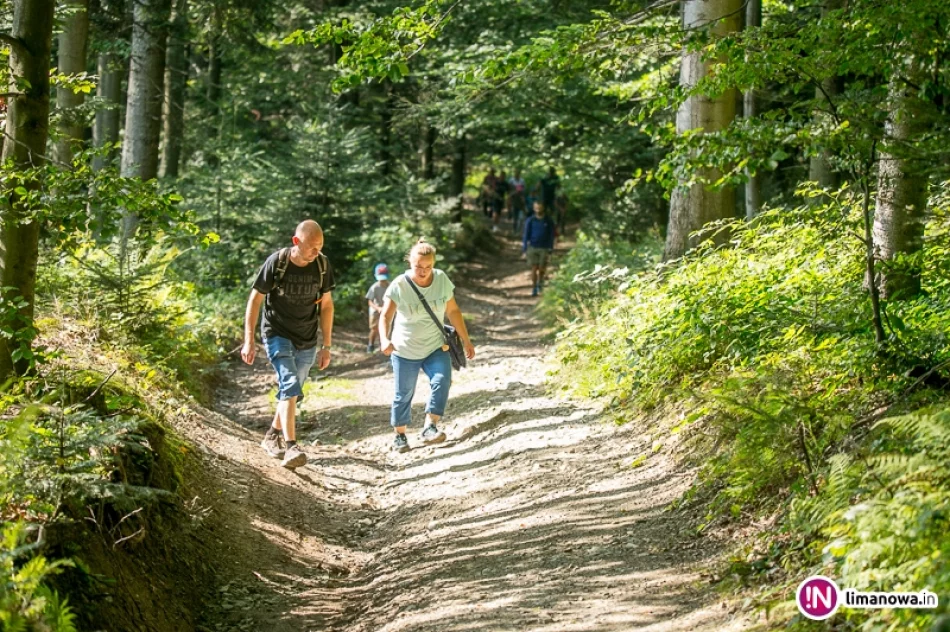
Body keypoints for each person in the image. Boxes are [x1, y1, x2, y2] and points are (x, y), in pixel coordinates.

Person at [241, 220, 335, 469]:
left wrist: (326, 345)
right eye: (312, 247)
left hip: (307, 337)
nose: (317, 252)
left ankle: (271, 434)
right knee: (290, 384)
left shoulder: (322, 265)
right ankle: (291, 446)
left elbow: (326, 306)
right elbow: (255, 301)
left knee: (290, 391)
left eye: (320, 247)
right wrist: (249, 340)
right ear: (296, 242)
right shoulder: (277, 262)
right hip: (276, 332)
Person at [377, 239, 476, 453]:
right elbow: (385, 316)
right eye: (418, 267)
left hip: (435, 346)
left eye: (428, 267)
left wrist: (466, 340)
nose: (423, 271)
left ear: (433, 264)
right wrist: (385, 339)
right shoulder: (400, 285)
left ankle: (430, 426)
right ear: (410, 263)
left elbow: (453, 311)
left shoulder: (441, 279)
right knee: (403, 393)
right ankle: (400, 436)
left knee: (442, 380)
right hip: (404, 349)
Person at [522, 201, 556, 297]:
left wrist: (550, 248)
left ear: (543, 208)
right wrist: (524, 249)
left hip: (544, 248)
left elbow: (551, 235)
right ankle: (534, 288)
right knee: (534, 268)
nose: (538, 210)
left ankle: (540, 283)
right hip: (533, 247)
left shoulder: (548, 221)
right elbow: (526, 235)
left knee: (542, 269)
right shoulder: (530, 220)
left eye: (540, 208)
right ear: (533, 208)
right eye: (536, 208)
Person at [365, 263, 390, 353]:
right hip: (375, 311)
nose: (382, 281)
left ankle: (382, 345)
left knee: (385, 327)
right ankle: (370, 345)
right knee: (374, 328)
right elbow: (370, 301)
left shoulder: (390, 286)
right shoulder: (374, 287)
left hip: (386, 310)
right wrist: (378, 308)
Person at [508, 169, 527, 235]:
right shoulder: (511, 180)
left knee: (521, 217)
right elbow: (509, 190)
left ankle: (519, 230)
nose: (517, 174)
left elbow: (524, 190)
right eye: (516, 173)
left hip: (520, 200)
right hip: (513, 200)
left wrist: (523, 197)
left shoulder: (522, 180)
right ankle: (514, 229)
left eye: (518, 173)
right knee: (515, 216)